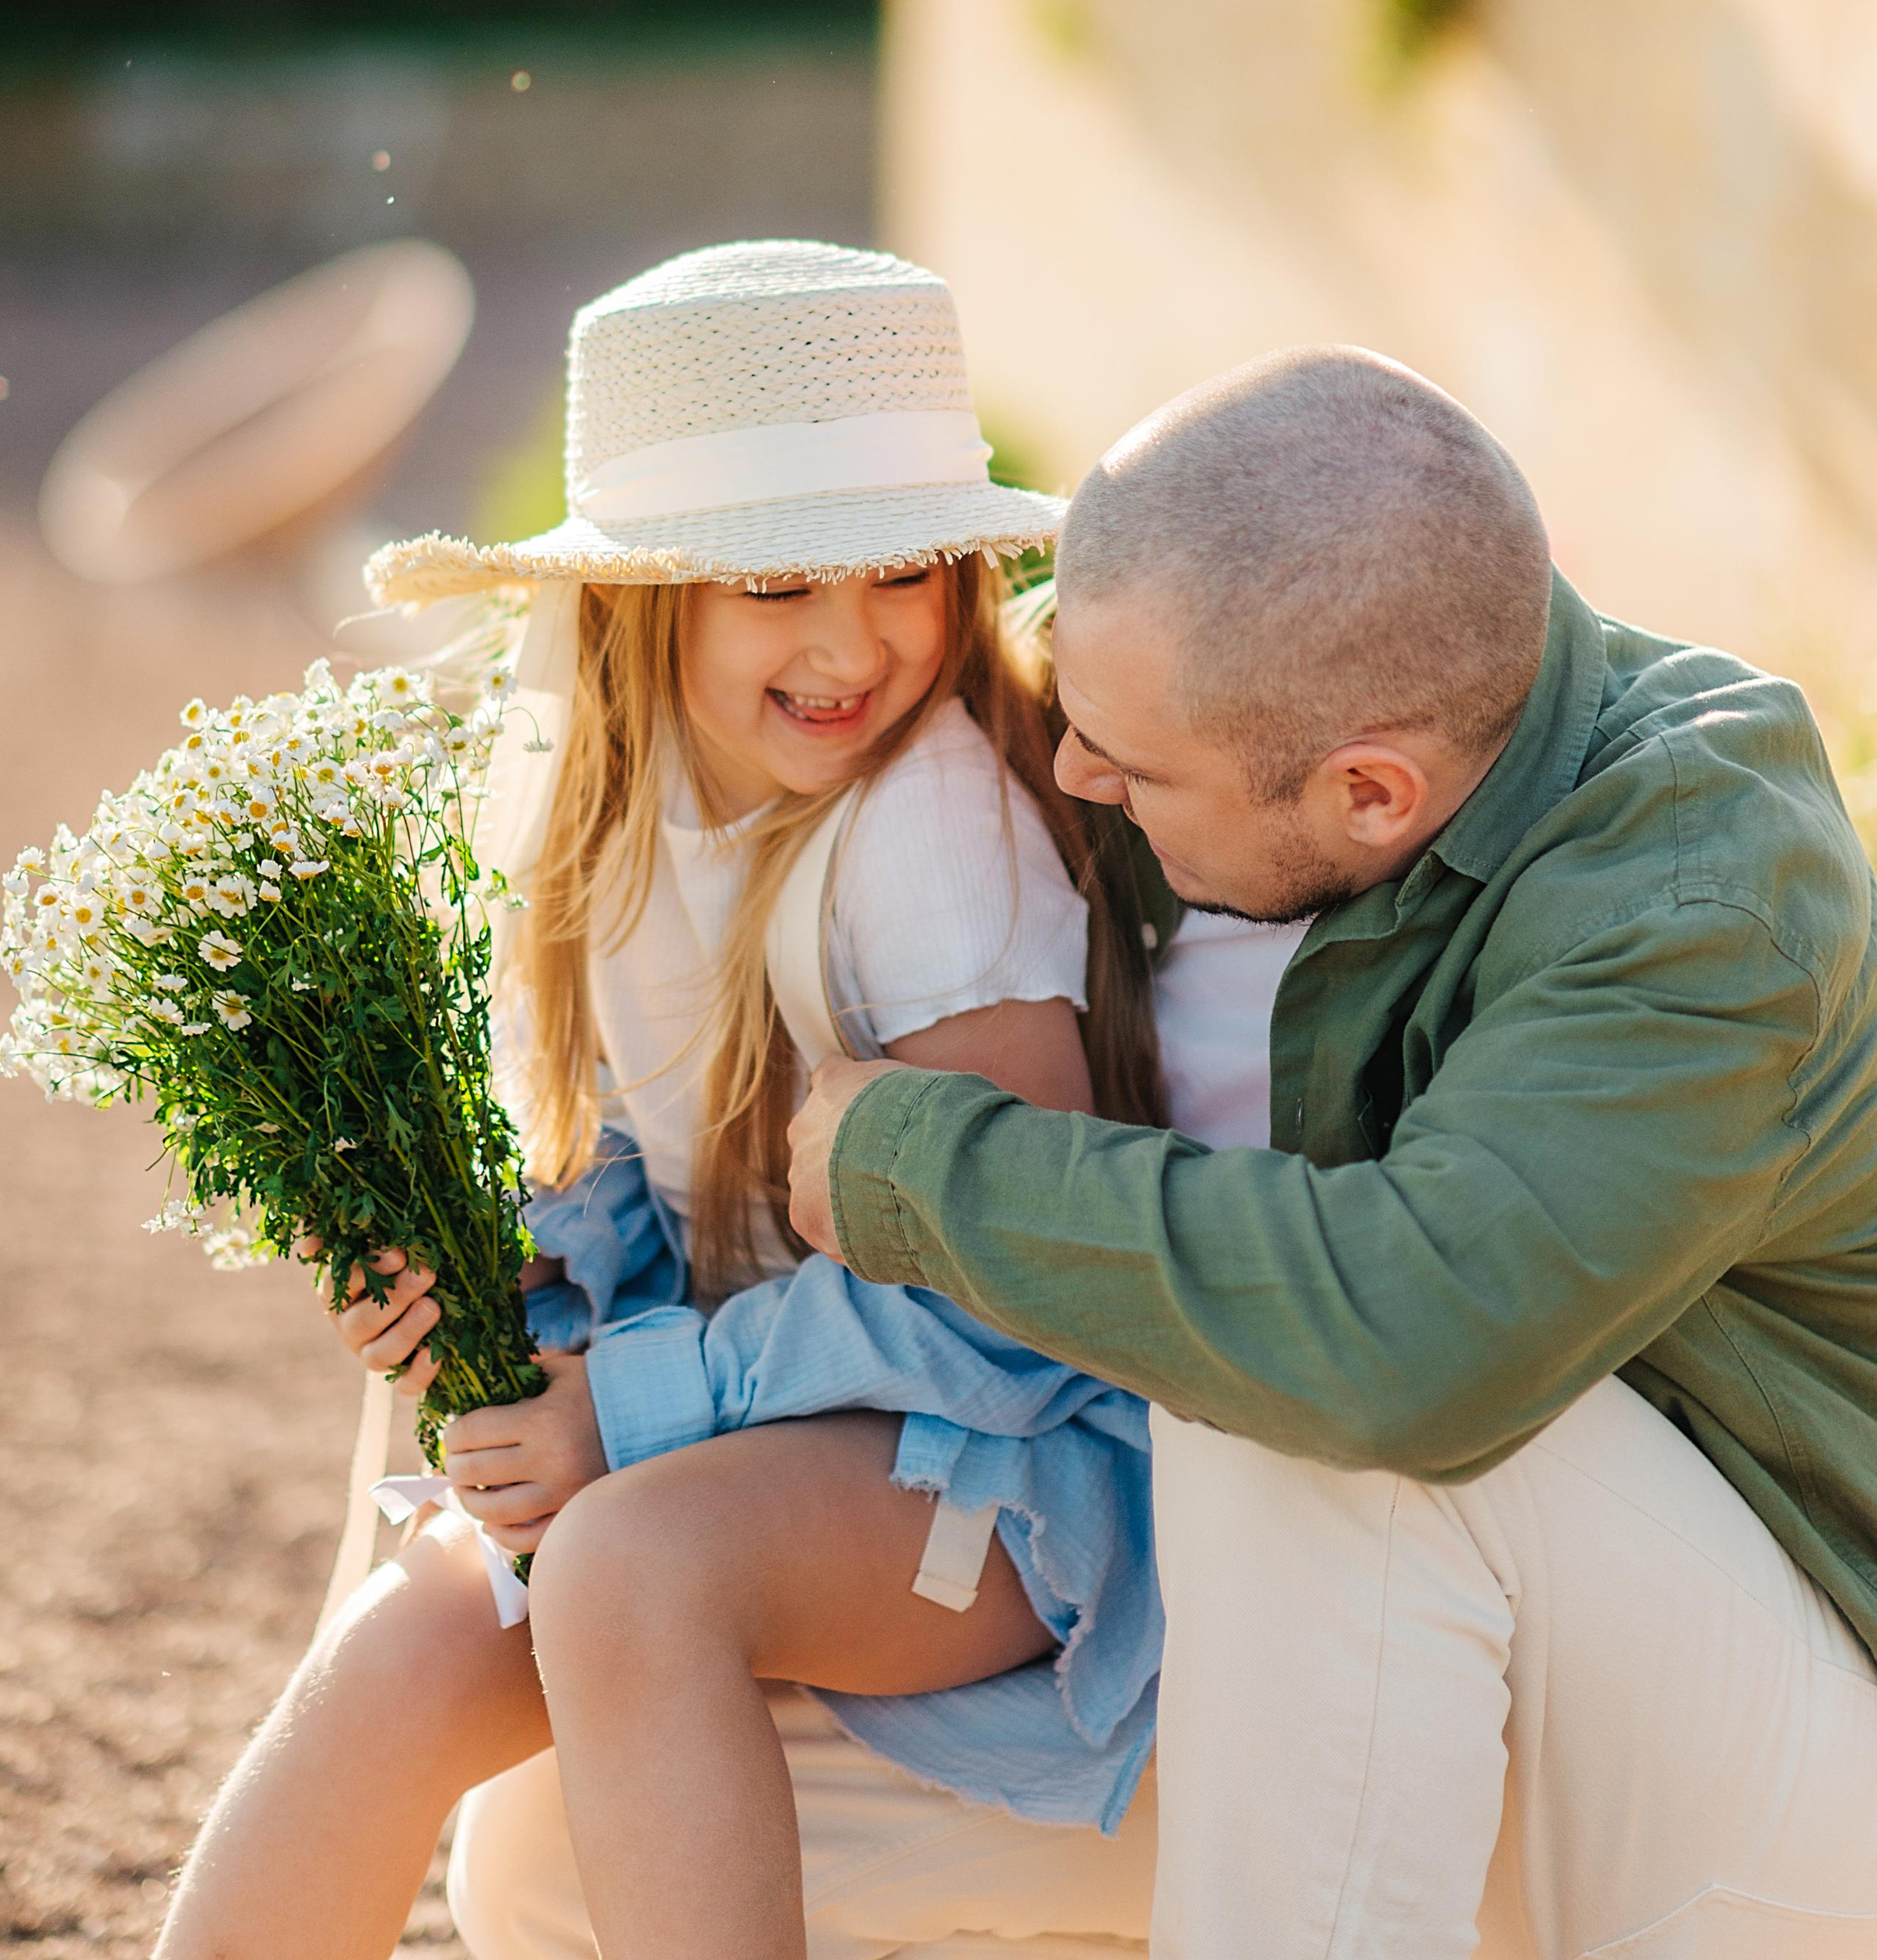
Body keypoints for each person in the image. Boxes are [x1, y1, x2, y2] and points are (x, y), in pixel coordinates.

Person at [791, 344, 1877, 1960]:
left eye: (1123, 764)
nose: (1068, 774)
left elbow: (1400, 1348)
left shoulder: (1696, 890)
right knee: (604, 1843)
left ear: (1372, 792)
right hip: (1409, 1709)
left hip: (1787, 1780)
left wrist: (907, 1161)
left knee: (1306, 1414)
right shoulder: (1254, 717)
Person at [154, 240, 1170, 1960]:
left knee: (627, 1566)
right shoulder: (622, 820)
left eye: (902, 571)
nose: (853, 639)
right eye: (772, 582)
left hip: (1005, 1469)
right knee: (400, 1654)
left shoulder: (925, 830)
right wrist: (500, 1295)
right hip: (771, 1433)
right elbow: (661, 1178)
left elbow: (1015, 1285)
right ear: (641, 601)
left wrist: (629, 1407)